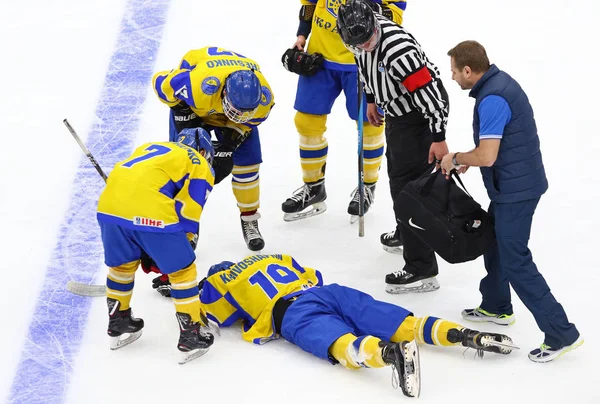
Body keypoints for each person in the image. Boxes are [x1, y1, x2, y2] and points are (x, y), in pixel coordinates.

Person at [198, 254, 516, 398]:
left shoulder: (222, 279)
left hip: (291, 312)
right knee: (399, 321)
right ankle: (464, 335)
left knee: (340, 343)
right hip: (325, 292)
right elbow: (313, 274)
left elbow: (218, 316)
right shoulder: (275, 257)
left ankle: (390, 355)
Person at [441, 40, 583, 363]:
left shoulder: (492, 99)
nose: (452, 78)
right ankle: (496, 305)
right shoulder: (498, 84)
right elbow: (494, 150)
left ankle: (561, 333)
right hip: (512, 187)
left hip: (516, 193)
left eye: (454, 72)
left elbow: (488, 156)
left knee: (516, 259)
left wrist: (457, 158)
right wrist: (469, 160)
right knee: (494, 242)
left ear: (468, 70)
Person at [337, 0, 450, 293]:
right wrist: (373, 99)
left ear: (375, 26)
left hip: (420, 116)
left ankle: (421, 269)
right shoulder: (359, 43)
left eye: (369, 40)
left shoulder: (397, 49)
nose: (364, 46)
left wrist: (438, 138)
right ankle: (408, 230)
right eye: (357, 44)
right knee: (399, 180)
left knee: (410, 189)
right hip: (397, 112)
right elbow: (364, 66)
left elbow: (432, 97)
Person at [96, 128, 216, 364]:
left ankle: (118, 320)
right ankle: (191, 334)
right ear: (202, 150)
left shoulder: (152, 147)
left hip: (109, 207)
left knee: (122, 267)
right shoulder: (198, 162)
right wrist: (172, 250)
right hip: (150, 213)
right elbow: (188, 213)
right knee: (183, 270)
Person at [280, 0, 406, 222]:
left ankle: (367, 186)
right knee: (306, 122)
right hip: (319, 58)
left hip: (361, 59)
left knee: (370, 124)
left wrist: (371, 9)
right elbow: (309, 5)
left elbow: (394, 16)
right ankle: (314, 187)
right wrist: (302, 35)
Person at [152, 46, 276, 251]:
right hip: (194, 107)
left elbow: (246, 122)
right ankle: (184, 227)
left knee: (248, 166)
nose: (239, 115)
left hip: (214, 104)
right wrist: (182, 111)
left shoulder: (264, 99)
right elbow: (159, 82)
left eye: (247, 111)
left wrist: (229, 145)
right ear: (225, 92)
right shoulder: (196, 85)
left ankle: (249, 219)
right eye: (236, 110)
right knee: (186, 170)